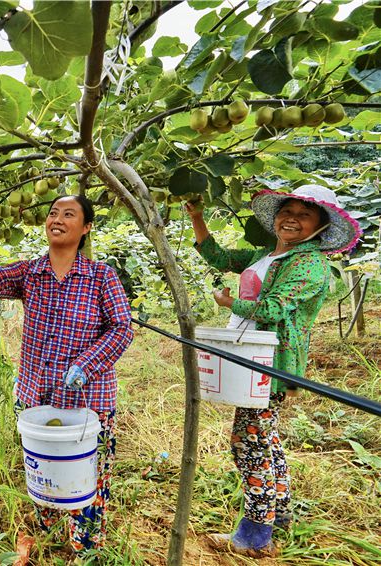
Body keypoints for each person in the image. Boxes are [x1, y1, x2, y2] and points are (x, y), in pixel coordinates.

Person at [0, 194, 134, 557]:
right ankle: (49, 539)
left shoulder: (100, 276)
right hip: (36, 397)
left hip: (87, 403)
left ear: (86, 227)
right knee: (45, 473)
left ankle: (86, 551)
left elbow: (121, 329)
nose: (57, 219)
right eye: (53, 213)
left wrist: (85, 365)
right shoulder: (31, 273)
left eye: (69, 214)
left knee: (86, 480)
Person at [186, 185, 361, 557]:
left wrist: (229, 302)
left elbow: (272, 309)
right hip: (253, 356)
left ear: (320, 225)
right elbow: (220, 257)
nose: (292, 219)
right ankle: (278, 519)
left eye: (304, 214)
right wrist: (198, 218)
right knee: (265, 440)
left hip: (272, 364)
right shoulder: (267, 254)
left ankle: (254, 537)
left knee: (249, 444)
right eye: (287, 211)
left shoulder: (310, 264)